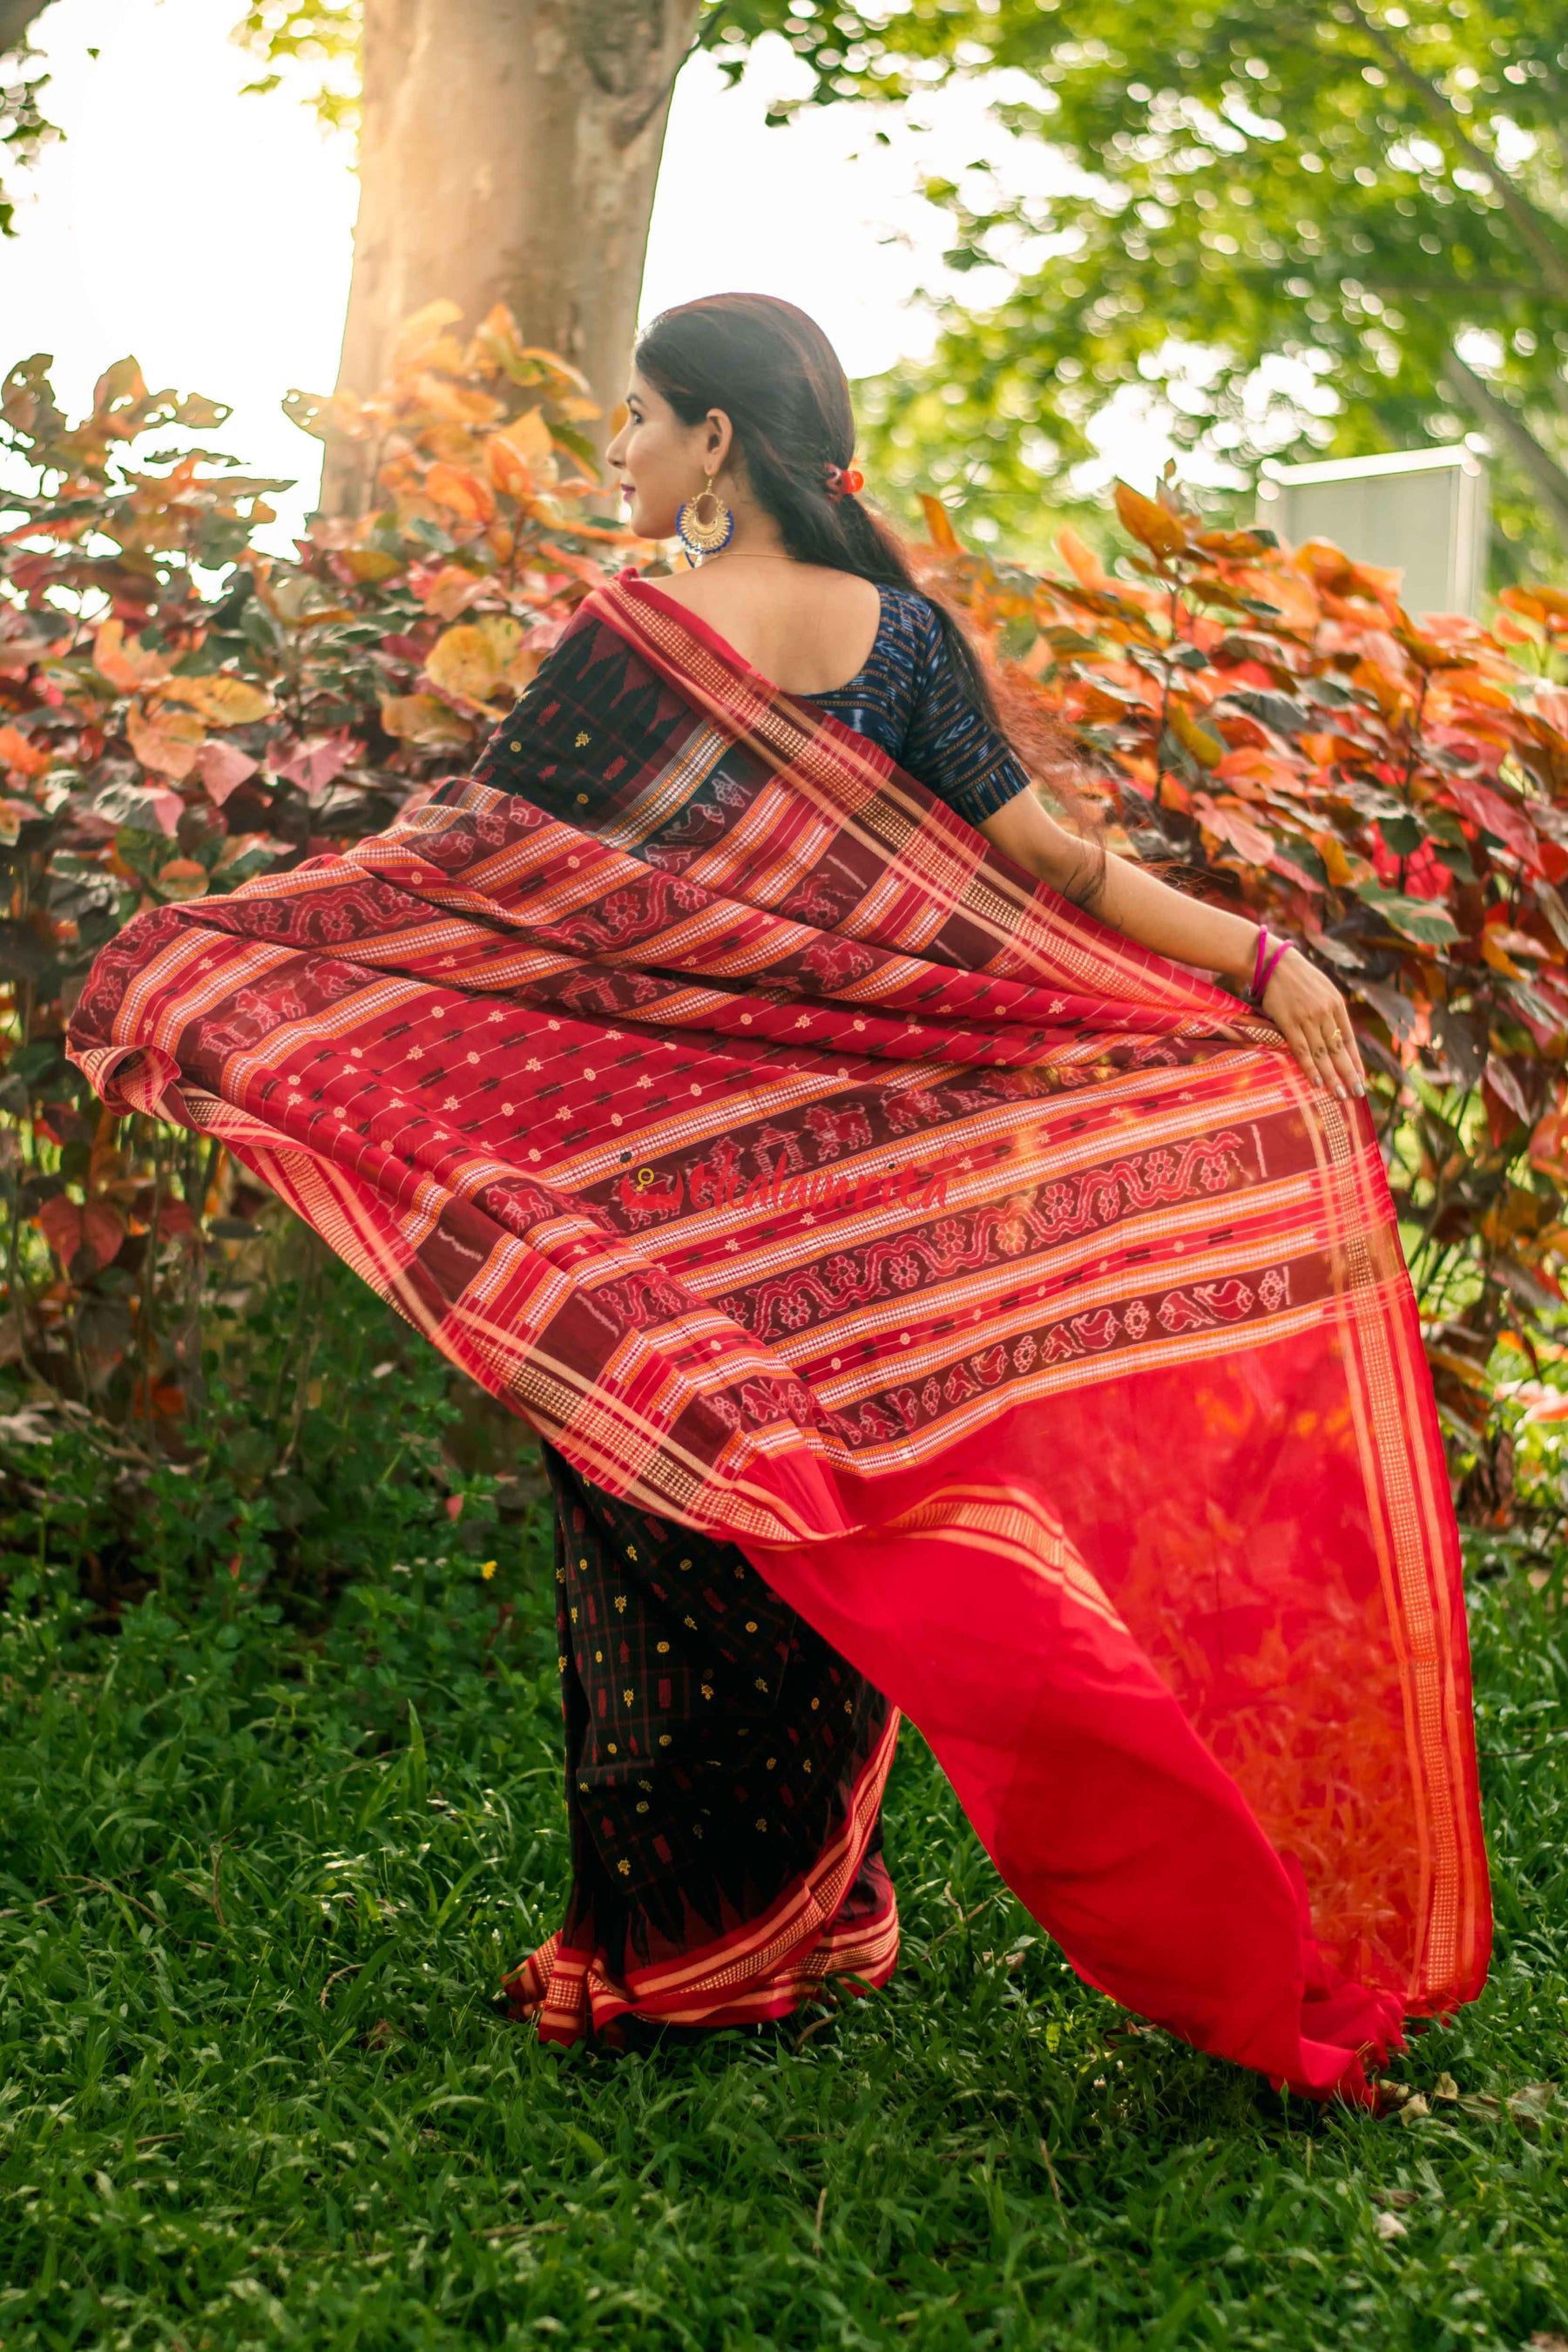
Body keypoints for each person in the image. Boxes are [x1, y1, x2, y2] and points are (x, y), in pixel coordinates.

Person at [68, 294, 1488, 2105]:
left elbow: (477, 873)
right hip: (848, 1214)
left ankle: (682, 1949)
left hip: (653, 1209)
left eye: (641, 422)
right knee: (827, 1531)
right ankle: (811, 1915)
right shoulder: (900, 638)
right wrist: (1266, 958)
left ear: (717, 443)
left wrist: (234, 955)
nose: (625, 458)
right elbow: (1054, 863)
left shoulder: (636, 639)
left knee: (660, 1545)